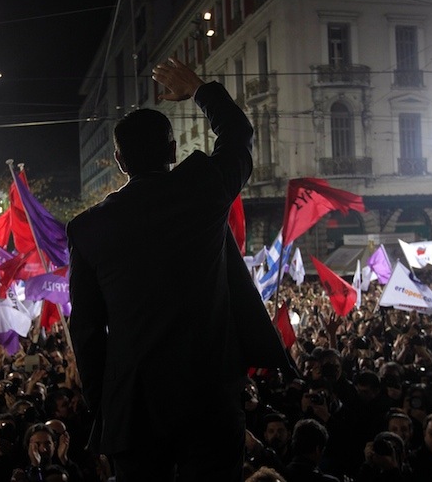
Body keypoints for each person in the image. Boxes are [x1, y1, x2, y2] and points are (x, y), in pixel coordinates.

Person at [67, 56, 289, 481]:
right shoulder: (203, 187)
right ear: (172, 151)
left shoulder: (87, 228)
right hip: (209, 398)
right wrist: (200, 90)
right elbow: (238, 134)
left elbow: (88, 331)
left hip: (134, 407)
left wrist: (103, 406)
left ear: (118, 160)